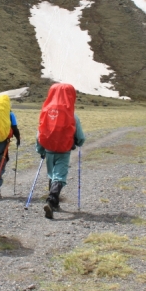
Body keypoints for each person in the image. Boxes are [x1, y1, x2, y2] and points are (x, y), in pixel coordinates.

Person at [35, 83, 85, 219]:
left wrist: (40, 148)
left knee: (52, 175)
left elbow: (40, 131)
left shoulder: (46, 111)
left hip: (49, 150)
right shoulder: (72, 116)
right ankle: (51, 201)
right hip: (64, 151)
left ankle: (55, 204)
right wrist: (78, 143)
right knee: (60, 176)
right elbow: (80, 137)